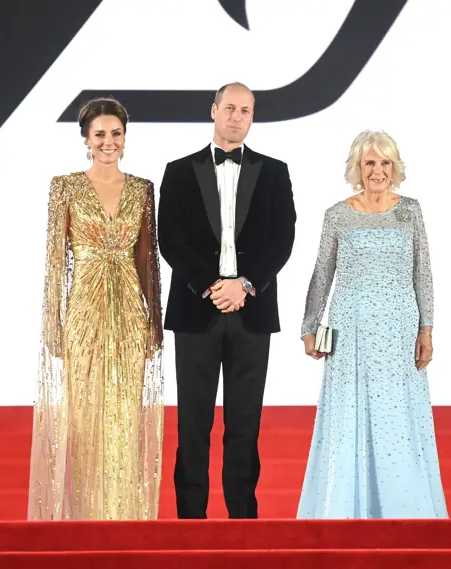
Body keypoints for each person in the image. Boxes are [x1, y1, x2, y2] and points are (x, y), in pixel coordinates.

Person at [158, 82, 296, 519]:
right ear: (213, 110)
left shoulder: (275, 171)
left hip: (252, 313)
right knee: (192, 425)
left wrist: (245, 284)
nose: (237, 116)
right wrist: (212, 285)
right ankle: (190, 521)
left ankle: (243, 520)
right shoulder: (179, 170)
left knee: (244, 425)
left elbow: (282, 238)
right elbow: (170, 237)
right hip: (196, 311)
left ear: (252, 118)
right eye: (230, 108)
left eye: (246, 110)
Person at [297, 130, 448, 519]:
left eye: (385, 163)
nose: (378, 171)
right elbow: (322, 274)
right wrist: (309, 326)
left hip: (399, 330)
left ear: (395, 167)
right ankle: (345, 508)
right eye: (370, 163)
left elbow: (423, 273)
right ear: (357, 168)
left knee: (398, 417)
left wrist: (427, 329)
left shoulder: (409, 211)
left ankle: (404, 510)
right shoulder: (337, 215)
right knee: (350, 414)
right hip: (350, 332)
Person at [28, 97, 164, 520]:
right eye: (100, 134)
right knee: (85, 421)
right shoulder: (63, 187)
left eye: (116, 133)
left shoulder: (143, 189)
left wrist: (154, 322)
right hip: (83, 312)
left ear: (125, 138)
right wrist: (53, 322)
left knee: (124, 419)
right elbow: (54, 262)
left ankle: (124, 517)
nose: (109, 142)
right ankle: (87, 519)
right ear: (86, 139)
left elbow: (147, 260)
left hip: (128, 313)